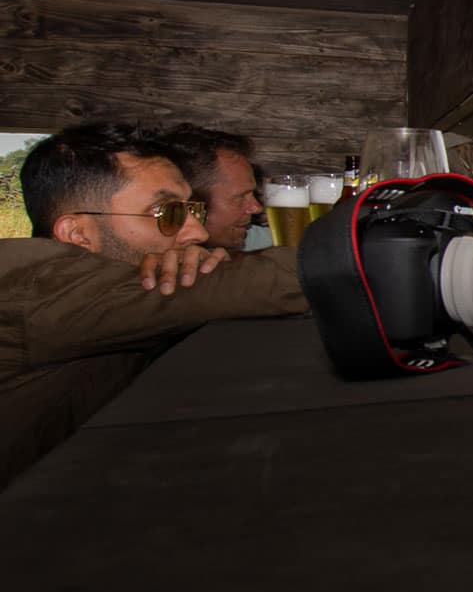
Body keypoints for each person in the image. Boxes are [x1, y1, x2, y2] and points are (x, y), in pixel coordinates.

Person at [3, 122, 308, 488]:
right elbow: (248, 286)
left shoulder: (113, 289)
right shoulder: (39, 288)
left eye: (192, 209)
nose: (197, 232)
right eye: (167, 214)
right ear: (77, 233)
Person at [161, 123, 267, 252]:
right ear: (191, 203)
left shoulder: (250, 239)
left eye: (252, 194)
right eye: (240, 197)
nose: (256, 208)